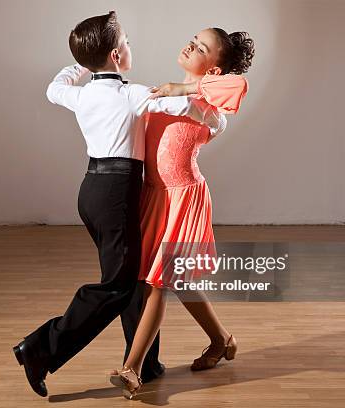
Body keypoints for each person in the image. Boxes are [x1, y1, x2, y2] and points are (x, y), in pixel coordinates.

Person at [12, 11, 227, 397]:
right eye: (126, 42)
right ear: (115, 55)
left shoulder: (81, 93)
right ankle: (40, 348)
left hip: (91, 192)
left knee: (135, 278)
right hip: (118, 195)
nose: (131, 46)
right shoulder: (133, 93)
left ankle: (146, 362)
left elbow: (53, 88)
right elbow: (189, 109)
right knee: (118, 284)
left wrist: (79, 64)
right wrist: (185, 94)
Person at [109, 27, 254, 399]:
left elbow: (237, 87)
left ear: (214, 71)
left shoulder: (212, 110)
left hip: (185, 199)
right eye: (194, 38)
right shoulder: (165, 93)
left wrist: (181, 89)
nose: (191, 44)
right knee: (176, 281)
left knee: (159, 282)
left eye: (202, 47)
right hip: (157, 197)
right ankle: (222, 340)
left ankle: (132, 369)